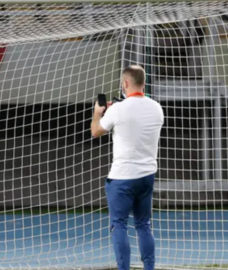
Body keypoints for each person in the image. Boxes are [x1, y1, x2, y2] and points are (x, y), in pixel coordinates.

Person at [90, 65, 164, 270]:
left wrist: (99, 113)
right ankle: (149, 267)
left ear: (125, 84)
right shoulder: (157, 108)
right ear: (144, 83)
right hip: (147, 175)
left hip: (123, 177)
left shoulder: (118, 110)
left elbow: (96, 132)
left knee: (119, 225)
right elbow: (139, 117)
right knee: (144, 225)